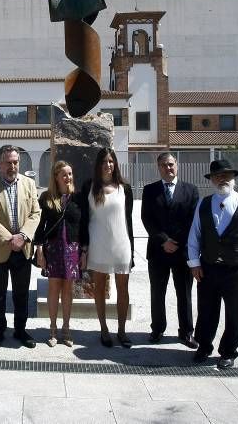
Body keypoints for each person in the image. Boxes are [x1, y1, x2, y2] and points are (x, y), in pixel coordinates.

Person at [187, 158, 238, 369]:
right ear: (211, 179)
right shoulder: (203, 204)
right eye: (217, 175)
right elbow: (195, 235)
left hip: (237, 269)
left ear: (233, 178)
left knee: (236, 313)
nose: (222, 178)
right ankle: (204, 347)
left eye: (226, 175)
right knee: (206, 311)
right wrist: (194, 263)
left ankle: (229, 351)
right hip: (208, 268)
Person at [0, 144, 41, 351]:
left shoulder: (29, 184)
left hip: (22, 249)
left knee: (21, 293)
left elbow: (35, 213)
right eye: (8, 162)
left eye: (15, 162)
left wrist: (22, 236)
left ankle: (20, 330)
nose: (12, 166)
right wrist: (10, 239)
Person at [141, 152, 200, 348]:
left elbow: (192, 221)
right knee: (157, 293)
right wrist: (164, 241)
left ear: (177, 165)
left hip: (182, 252)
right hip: (158, 251)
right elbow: (147, 219)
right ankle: (157, 329)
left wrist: (176, 242)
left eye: (171, 164)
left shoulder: (191, 190)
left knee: (184, 294)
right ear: (159, 168)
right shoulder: (150, 191)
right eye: (164, 165)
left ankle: (186, 332)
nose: (168, 168)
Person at [80, 147, 135, 348]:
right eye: (104, 161)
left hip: (121, 245)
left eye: (111, 161)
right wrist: (84, 249)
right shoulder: (89, 187)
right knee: (100, 288)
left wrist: (133, 251)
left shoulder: (124, 188)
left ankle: (121, 331)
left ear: (115, 164)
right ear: (98, 165)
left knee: (123, 288)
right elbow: (84, 220)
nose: (108, 165)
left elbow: (128, 220)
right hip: (98, 244)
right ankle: (104, 329)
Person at [34, 160, 85, 348]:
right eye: (64, 174)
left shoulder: (78, 198)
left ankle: (66, 329)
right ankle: (53, 329)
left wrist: (84, 251)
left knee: (68, 291)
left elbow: (83, 226)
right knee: (54, 289)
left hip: (72, 249)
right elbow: (40, 227)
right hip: (53, 249)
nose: (68, 177)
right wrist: (39, 249)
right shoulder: (46, 198)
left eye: (70, 174)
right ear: (56, 177)